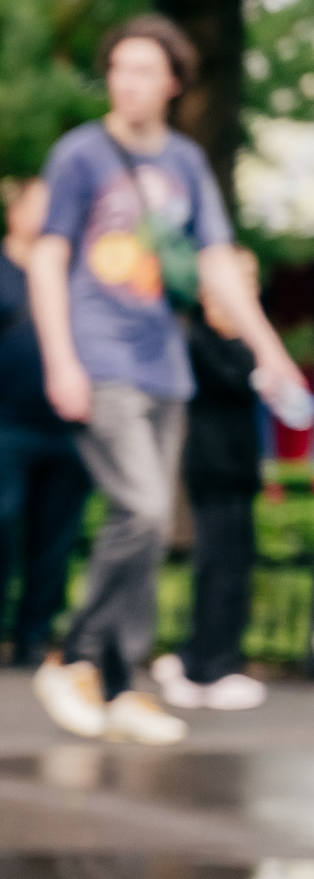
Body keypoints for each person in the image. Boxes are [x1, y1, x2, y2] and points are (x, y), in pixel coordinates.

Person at [28, 14, 303, 746]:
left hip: (164, 365)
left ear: (174, 83)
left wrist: (269, 350)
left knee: (147, 534)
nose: (128, 82)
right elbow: (49, 257)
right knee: (145, 509)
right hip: (100, 355)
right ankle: (73, 656)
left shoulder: (185, 161)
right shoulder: (80, 154)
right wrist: (60, 357)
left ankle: (123, 685)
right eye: (119, 68)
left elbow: (217, 261)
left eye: (145, 70)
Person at [0, 177, 92, 667]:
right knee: (0, 526)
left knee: (55, 541)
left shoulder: (75, 277)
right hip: (5, 428)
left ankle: (33, 637)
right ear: (16, 214)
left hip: (67, 431)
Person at [155, 249, 280, 711]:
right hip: (212, 467)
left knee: (236, 564)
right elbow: (238, 380)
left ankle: (206, 656)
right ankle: (207, 667)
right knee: (218, 567)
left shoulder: (243, 340)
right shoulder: (198, 337)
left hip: (239, 468)